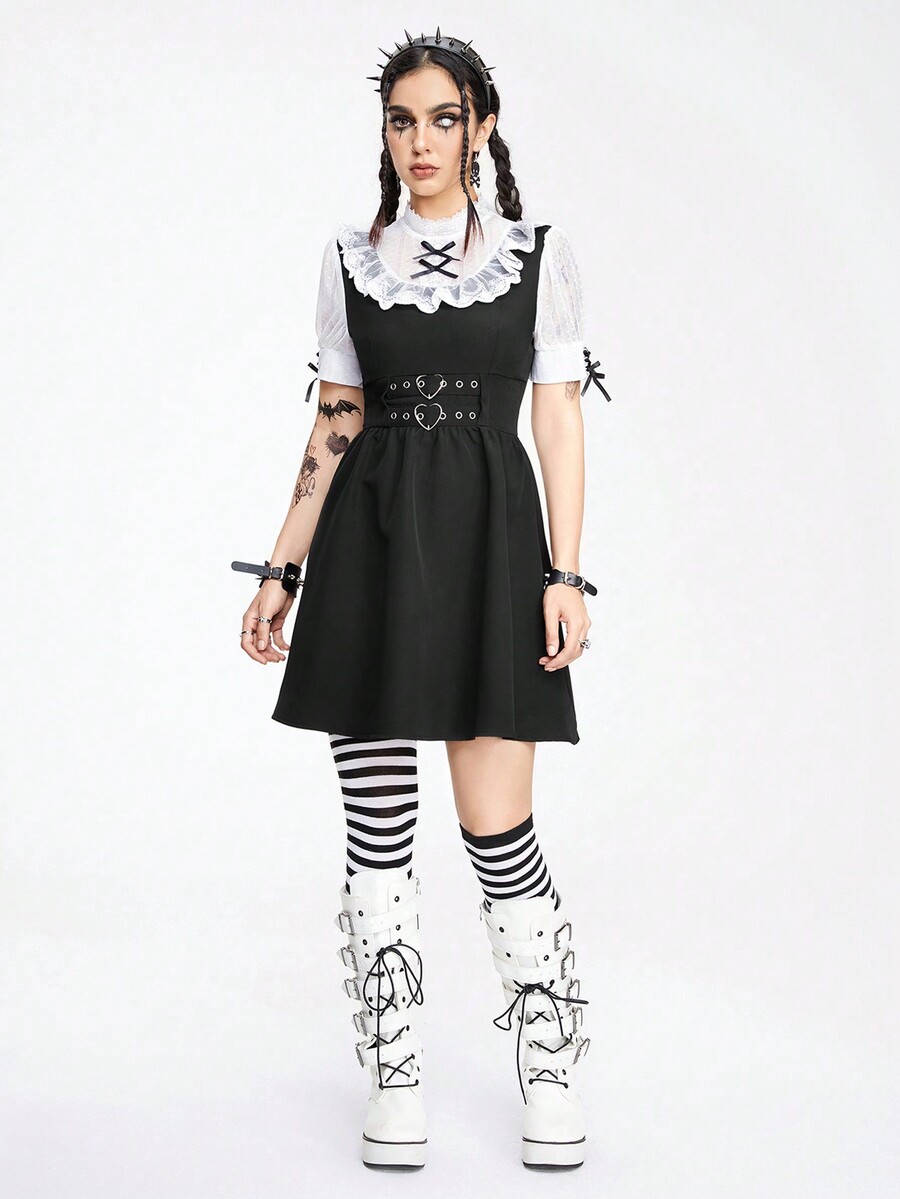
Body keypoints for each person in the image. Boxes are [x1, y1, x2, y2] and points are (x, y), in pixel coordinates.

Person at [233, 27, 611, 1172]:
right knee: (378, 837)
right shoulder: (352, 260)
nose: (421, 141)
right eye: (402, 120)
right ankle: (395, 1070)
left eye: (444, 118)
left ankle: (550, 1058)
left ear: (481, 127)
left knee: (499, 829)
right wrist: (283, 566)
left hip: (493, 550)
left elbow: (557, 418)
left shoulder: (538, 256)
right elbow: (335, 421)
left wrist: (564, 574)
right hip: (371, 549)